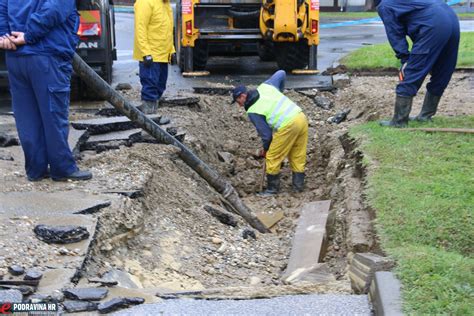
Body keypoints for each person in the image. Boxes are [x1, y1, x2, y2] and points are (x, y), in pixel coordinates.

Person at [0, 0, 92, 181]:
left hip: (16, 58)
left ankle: (35, 170)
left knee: (27, 117)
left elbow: (2, 6)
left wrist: (4, 36)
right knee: (53, 115)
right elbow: (55, 8)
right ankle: (63, 168)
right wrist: (29, 35)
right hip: (46, 55)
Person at [376, 0, 460, 128]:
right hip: (450, 17)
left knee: (412, 71)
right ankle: (425, 116)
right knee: (443, 69)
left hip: (433, 23)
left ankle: (399, 121)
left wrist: (404, 58)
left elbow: (395, 34)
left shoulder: (385, 5)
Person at [231, 70, 309, 195]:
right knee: (297, 154)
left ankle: (272, 190)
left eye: (237, 101)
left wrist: (267, 150)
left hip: (288, 125)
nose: (239, 106)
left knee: (272, 157)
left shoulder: (253, 110)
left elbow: (266, 136)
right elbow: (281, 73)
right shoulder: (266, 86)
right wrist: (280, 93)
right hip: (300, 117)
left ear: (242, 96)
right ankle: (298, 187)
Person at [133, 0, 175, 114]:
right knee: (150, 89)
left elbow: (168, 29)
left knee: (160, 87)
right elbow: (140, 29)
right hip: (151, 55)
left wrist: (171, 50)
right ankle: (148, 120)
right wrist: (145, 53)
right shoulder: (145, 2)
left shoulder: (165, 3)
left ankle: (153, 117)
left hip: (162, 55)